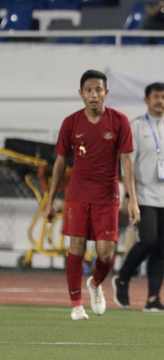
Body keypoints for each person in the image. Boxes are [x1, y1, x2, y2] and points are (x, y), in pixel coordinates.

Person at [45, 70, 140, 321]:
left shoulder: (119, 121)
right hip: (77, 193)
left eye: (98, 90)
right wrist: (51, 199)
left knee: (106, 253)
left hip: (108, 195)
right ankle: (76, 305)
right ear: (81, 94)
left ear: (106, 92)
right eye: (88, 90)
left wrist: (133, 199)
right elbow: (60, 162)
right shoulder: (71, 122)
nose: (94, 95)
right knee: (75, 247)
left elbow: (128, 162)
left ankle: (96, 284)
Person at [112, 83, 164, 312]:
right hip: (142, 196)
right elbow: (127, 163)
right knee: (147, 240)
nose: (160, 101)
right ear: (146, 100)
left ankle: (153, 299)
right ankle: (122, 277)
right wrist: (129, 196)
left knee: (160, 248)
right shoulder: (136, 127)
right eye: (156, 96)